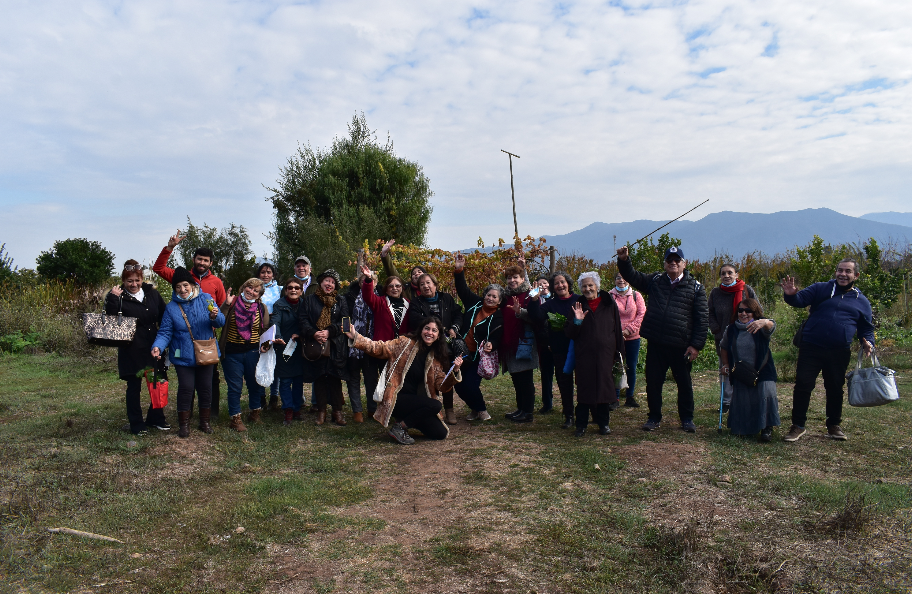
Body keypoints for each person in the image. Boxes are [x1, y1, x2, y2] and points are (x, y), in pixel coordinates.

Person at [617, 245, 709, 432]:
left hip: (681, 346)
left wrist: (696, 345)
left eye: (677, 260)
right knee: (653, 382)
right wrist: (624, 261)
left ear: (684, 263)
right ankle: (654, 417)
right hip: (656, 343)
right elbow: (633, 276)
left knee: (684, 383)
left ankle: (687, 419)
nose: (673, 263)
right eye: (669, 260)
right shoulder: (656, 280)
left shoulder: (696, 287)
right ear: (665, 263)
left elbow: (702, 318)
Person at [781, 259, 875, 442]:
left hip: (839, 350)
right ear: (835, 272)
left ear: (856, 276)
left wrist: (868, 342)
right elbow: (799, 301)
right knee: (803, 384)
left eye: (848, 271)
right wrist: (791, 295)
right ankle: (797, 426)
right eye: (840, 270)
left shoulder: (861, 301)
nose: (843, 274)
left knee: (834, 387)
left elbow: (867, 328)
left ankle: (834, 425)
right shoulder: (820, 288)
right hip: (811, 346)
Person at [345, 317, 462, 444]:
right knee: (435, 405)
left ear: (438, 336)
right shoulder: (404, 343)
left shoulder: (436, 357)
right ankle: (400, 427)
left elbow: (442, 386)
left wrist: (455, 370)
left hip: (415, 402)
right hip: (396, 398)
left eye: (434, 330)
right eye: (427, 328)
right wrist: (356, 337)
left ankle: (404, 421)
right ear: (421, 330)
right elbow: (379, 347)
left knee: (440, 433)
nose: (430, 333)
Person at [152, 230, 227, 419]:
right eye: (199, 259)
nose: (202, 263)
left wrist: (215, 315)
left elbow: (221, 312)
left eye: (206, 260)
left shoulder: (215, 284)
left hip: (206, 341)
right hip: (183, 345)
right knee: (186, 385)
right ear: (194, 259)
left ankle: (210, 416)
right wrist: (169, 248)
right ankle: (188, 417)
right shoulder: (180, 277)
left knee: (209, 383)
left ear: (210, 263)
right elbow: (159, 269)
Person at [105, 260, 168, 435]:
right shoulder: (118, 296)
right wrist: (112, 299)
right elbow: (110, 320)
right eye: (129, 281)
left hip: (153, 344)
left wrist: (165, 341)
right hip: (131, 347)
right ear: (123, 281)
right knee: (134, 386)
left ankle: (156, 418)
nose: (134, 284)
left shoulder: (152, 293)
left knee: (158, 382)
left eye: (137, 280)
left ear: (142, 279)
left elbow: (164, 316)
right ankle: (136, 423)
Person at [566, 272, 625, 437]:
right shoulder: (577, 305)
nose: (587, 288)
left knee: (605, 390)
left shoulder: (609, 303)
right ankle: (581, 425)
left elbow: (617, 330)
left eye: (590, 285)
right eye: (584, 286)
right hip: (584, 354)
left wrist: (620, 353)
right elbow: (569, 333)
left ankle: (603, 424)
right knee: (585, 390)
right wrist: (577, 321)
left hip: (606, 354)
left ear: (597, 286)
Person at [719, 298, 780, 442]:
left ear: (755, 312)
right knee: (744, 400)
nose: (744, 313)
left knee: (765, 392)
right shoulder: (732, 329)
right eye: (740, 310)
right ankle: (746, 427)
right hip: (742, 372)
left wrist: (764, 321)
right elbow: (724, 347)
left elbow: (771, 326)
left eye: (748, 311)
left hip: (763, 370)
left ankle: (767, 429)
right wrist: (726, 364)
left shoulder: (760, 327)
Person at [453, 253, 504, 421]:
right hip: (461, 352)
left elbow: (498, 336)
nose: (490, 298)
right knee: (459, 385)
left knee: (471, 384)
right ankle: (475, 409)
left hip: (477, 355)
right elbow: (462, 289)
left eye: (494, 296)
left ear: (499, 300)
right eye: (488, 295)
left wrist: (493, 344)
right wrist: (459, 270)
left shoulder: (499, 316)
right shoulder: (474, 303)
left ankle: (481, 410)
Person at [407, 272, 463, 424]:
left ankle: (449, 409)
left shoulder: (446, 299)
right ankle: (433, 409)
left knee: (446, 374)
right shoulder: (417, 302)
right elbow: (415, 320)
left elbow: (458, 314)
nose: (425, 286)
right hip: (426, 345)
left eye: (428, 283)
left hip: (445, 345)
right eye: (422, 284)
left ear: (435, 284)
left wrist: (454, 328)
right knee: (428, 377)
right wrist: (438, 327)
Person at [528, 272, 580, 428]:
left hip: (581, 347)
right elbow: (537, 317)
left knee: (584, 381)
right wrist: (534, 300)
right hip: (559, 348)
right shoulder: (550, 304)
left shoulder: (579, 300)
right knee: (564, 383)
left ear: (568, 283)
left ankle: (590, 411)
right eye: (556, 283)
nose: (560, 285)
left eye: (562, 282)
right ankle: (569, 415)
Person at [299, 269, 350, 425]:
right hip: (316, 345)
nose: (330, 284)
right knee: (319, 377)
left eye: (333, 282)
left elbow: (346, 323)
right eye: (327, 281)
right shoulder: (308, 300)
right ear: (321, 282)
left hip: (336, 345)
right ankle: (321, 412)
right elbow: (302, 321)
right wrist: (314, 333)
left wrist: (329, 331)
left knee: (335, 378)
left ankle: (337, 412)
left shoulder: (341, 300)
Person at [220, 278, 271, 432]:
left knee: (254, 384)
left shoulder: (261, 307)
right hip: (232, 353)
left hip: (253, 352)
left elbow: (266, 330)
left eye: (256, 290)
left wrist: (266, 345)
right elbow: (218, 321)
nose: (251, 292)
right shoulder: (232, 302)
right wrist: (226, 305)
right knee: (235, 386)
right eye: (249, 287)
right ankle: (235, 419)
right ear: (243, 287)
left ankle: (255, 413)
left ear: (259, 294)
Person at [708, 264, 757, 413]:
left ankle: (745, 399)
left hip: (746, 338)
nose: (727, 276)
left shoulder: (746, 290)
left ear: (736, 274)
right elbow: (709, 313)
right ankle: (727, 402)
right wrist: (716, 330)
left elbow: (757, 310)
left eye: (730, 273)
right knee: (725, 368)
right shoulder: (715, 293)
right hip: (724, 338)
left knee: (745, 369)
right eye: (723, 273)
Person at [268, 278, 307, 426]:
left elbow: (308, 322)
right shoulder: (279, 304)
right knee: (285, 381)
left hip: (300, 347)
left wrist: (301, 335)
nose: (293, 290)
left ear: (301, 291)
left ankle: (297, 408)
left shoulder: (305, 304)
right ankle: (288, 410)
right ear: (285, 290)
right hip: (283, 346)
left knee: (298, 381)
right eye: (290, 287)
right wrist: (277, 337)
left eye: (297, 288)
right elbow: (275, 322)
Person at [342, 265, 377, 423]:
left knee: (371, 379)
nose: (366, 282)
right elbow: (344, 316)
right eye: (363, 280)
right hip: (353, 343)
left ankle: (372, 408)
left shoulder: (379, 298)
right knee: (354, 378)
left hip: (372, 343)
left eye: (369, 280)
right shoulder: (349, 297)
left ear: (375, 283)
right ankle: (357, 410)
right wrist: (347, 332)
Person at [609, 272, 646, 408]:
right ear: (614, 280)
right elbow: (607, 316)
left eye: (624, 277)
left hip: (633, 338)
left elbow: (641, 314)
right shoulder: (609, 296)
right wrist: (618, 333)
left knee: (631, 367)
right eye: (618, 277)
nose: (621, 280)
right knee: (617, 366)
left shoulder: (637, 296)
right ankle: (615, 398)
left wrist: (628, 330)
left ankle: (630, 396)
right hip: (615, 338)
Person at [257, 261, 282, 410]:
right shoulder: (253, 288)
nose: (265, 275)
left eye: (268, 272)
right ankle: (261, 396)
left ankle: (274, 396)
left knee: (275, 363)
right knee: (260, 362)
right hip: (258, 330)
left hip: (275, 328)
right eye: (263, 272)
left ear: (273, 274)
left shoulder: (279, 289)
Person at [533, 274, 556, 413]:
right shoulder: (536, 301)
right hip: (543, 342)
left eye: (546, 283)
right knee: (546, 374)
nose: (543, 286)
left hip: (558, 341)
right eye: (540, 284)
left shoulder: (556, 299)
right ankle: (547, 403)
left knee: (561, 374)